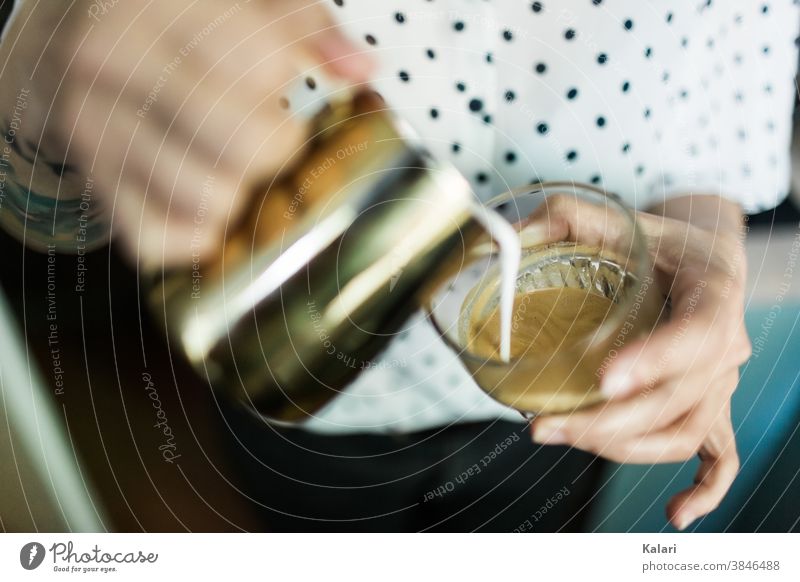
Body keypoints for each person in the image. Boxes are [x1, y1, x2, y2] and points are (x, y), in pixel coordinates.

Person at [0, 0, 796, 531]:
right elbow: (33, 195)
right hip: (312, 382)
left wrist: (710, 252)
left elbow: (732, 70)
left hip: (556, 421)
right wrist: (55, 42)